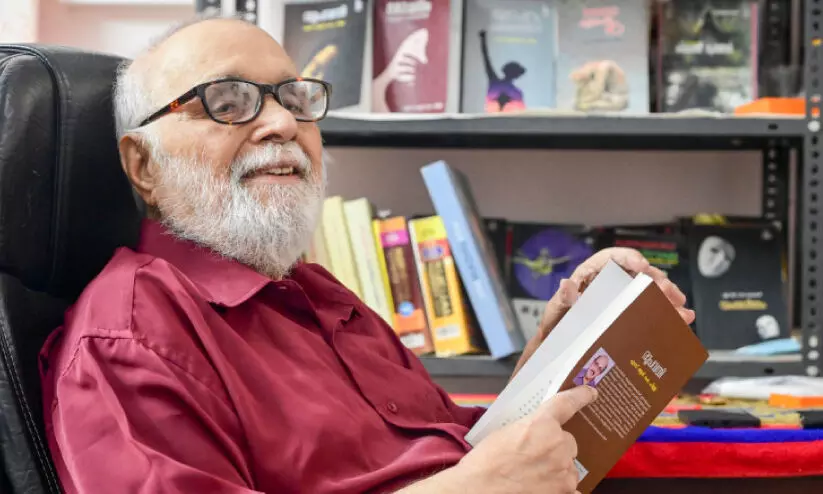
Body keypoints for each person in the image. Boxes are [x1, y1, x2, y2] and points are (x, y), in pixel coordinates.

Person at [38, 15, 694, 494]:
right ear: (143, 165)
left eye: (294, 98)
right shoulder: (129, 338)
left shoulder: (317, 294)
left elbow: (459, 453)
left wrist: (564, 340)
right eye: (227, 103)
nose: (283, 124)